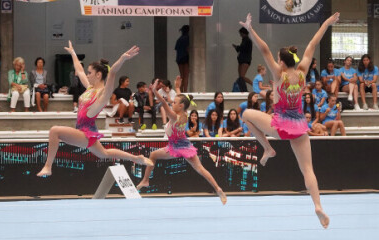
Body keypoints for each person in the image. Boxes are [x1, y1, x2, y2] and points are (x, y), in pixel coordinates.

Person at [238, 12, 338, 228]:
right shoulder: (302, 72)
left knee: (246, 115)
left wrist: (250, 29)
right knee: (307, 170)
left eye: (277, 59)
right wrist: (327, 22)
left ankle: (267, 148)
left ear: (281, 62)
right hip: (300, 126)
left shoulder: (278, 75)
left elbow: (263, 49)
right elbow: (313, 42)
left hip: (280, 125)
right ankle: (318, 206)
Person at [37, 41, 153, 177]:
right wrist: (73, 53)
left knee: (55, 131)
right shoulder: (90, 88)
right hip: (85, 130)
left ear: (98, 75)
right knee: (104, 153)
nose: (87, 75)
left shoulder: (102, 94)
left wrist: (122, 59)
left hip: (86, 133)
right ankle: (136, 158)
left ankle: (48, 166)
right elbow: (79, 70)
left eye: (90, 72)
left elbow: (112, 73)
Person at [136, 79, 227, 205]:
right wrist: (178, 88)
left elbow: (163, 102)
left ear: (181, 106)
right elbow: (183, 100)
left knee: (153, 155)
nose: (172, 103)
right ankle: (218, 188)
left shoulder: (174, 117)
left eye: (174, 102)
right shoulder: (184, 113)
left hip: (175, 146)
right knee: (200, 169)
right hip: (185, 144)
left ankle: (146, 180)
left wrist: (154, 91)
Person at [175, 25, 190, 92]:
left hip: (179, 58)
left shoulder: (179, 39)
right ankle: (185, 91)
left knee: (182, 75)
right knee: (186, 76)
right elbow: (188, 49)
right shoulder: (188, 38)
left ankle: (180, 90)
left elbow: (176, 48)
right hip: (186, 57)